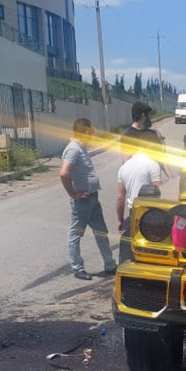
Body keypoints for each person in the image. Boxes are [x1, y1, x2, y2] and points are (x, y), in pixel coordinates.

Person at [59, 118, 117, 280]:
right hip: (82, 200)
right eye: (91, 133)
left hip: (92, 198)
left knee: (101, 232)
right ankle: (77, 268)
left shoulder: (81, 148)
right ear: (85, 132)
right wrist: (73, 194)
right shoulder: (73, 149)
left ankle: (110, 265)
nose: (92, 136)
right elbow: (64, 173)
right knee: (76, 233)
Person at [116, 149, 164, 263]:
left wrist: (119, 219)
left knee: (129, 245)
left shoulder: (123, 168)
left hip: (133, 212)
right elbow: (159, 190)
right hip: (150, 212)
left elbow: (120, 197)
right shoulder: (152, 165)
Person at [122, 102, 172, 181]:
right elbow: (126, 162)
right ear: (143, 116)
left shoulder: (154, 134)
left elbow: (162, 160)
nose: (150, 118)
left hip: (155, 181)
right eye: (148, 115)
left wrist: (171, 178)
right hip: (139, 183)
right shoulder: (129, 136)